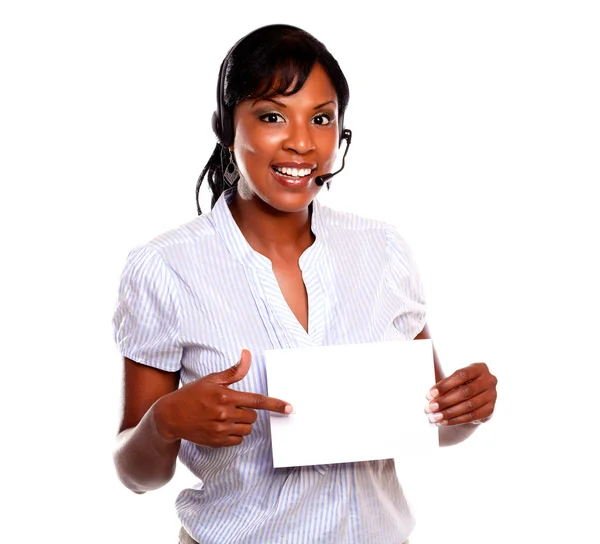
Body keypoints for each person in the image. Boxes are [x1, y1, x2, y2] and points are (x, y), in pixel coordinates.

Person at [112, 24, 498, 544]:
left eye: (321, 119)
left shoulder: (382, 250)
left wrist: (467, 409)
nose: (301, 143)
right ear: (227, 129)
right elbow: (136, 476)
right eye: (272, 116)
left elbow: (435, 424)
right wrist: (164, 423)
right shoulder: (165, 267)